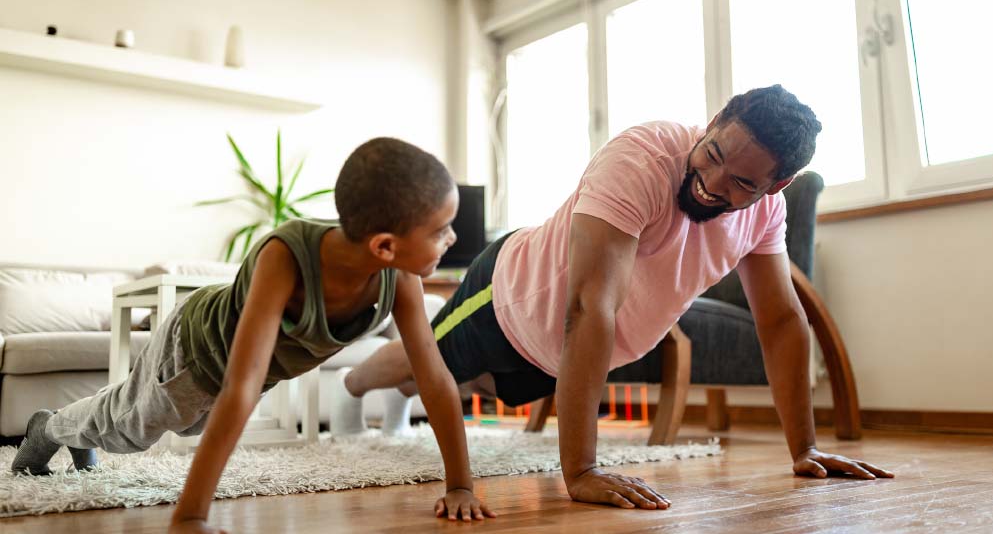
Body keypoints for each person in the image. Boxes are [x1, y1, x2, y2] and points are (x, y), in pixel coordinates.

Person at [333, 85, 894, 511]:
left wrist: (805, 449)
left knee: (468, 386)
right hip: (510, 298)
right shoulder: (642, 159)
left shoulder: (766, 214)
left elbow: (779, 321)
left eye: (743, 183)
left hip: (561, 355)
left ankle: (402, 394)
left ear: (777, 186)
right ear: (716, 120)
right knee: (425, 359)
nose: (714, 181)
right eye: (716, 153)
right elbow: (590, 306)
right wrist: (580, 471)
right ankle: (351, 388)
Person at [11, 137, 497, 531]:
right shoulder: (284, 255)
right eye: (442, 230)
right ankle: (48, 428)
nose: (452, 239)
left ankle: (74, 425)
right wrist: (191, 517)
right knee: (131, 432)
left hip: (240, 369)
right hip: (194, 351)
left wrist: (460, 485)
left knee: (163, 420)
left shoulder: (402, 280)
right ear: (385, 246)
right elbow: (240, 387)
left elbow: (433, 378)